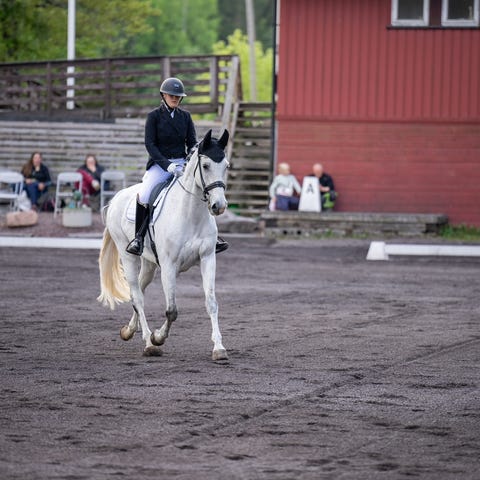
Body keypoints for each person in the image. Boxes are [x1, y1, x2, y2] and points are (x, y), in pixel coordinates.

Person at [126, 77, 229, 256]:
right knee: (145, 194)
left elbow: (191, 142)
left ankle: (213, 237)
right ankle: (139, 238)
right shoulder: (154, 116)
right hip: (160, 165)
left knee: (202, 190)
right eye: (171, 95)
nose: (174, 98)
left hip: (182, 163)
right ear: (164, 95)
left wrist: (192, 154)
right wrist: (167, 165)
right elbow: (150, 145)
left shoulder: (185, 117)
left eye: (177, 96)